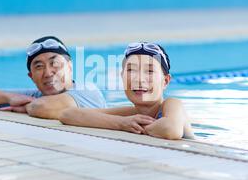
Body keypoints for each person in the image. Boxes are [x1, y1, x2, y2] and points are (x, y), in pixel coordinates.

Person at [59, 42, 194, 140]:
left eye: (150, 71)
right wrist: (122, 123)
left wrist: (140, 127)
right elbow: (68, 114)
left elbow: (170, 129)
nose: (139, 79)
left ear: (165, 81)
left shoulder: (172, 105)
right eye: (131, 70)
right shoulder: (131, 115)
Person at [0, 36, 106, 119]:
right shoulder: (35, 95)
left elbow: (42, 107)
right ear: (31, 76)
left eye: (55, 63)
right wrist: (9, 98)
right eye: (39, 67)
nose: (48, 73)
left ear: (69, 67)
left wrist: (23, 107)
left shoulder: (87, 91)